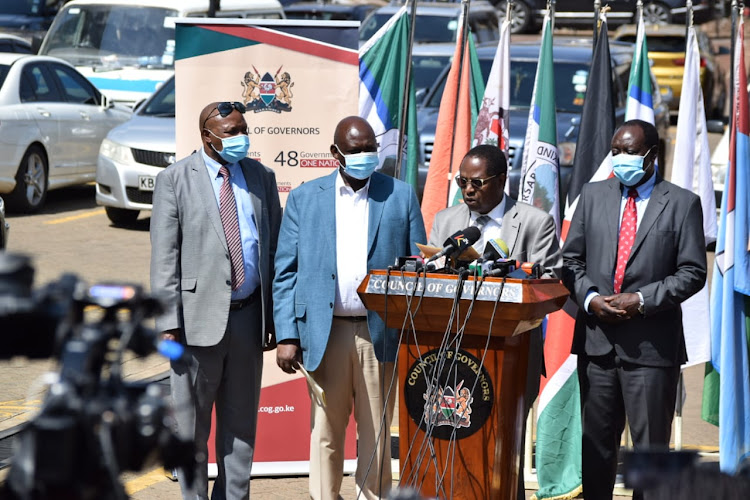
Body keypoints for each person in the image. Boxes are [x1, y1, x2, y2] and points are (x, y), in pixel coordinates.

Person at [273, 116, 426, 500]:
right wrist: (288, 334)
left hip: (381, 333)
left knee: (376, 430)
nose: (365, 156)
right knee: (326, 430)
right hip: (325, 332)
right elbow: (285, 273)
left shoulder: (400, 194)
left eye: (370, 149)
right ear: (335, 154)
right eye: (356, 150)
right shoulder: (305, 198)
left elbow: (419, 267)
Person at [562, 119, 707, 500]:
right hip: (597, 347)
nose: (619, 159)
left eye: (628, 152)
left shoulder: (681, 203)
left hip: (650, 349)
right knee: (596, 451)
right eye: (615, 151)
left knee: (649, 456)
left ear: (652, 155)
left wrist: (641, 301)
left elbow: (693, 272)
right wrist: (591, 298)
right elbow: (570, 262)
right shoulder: (592, 196)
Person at [150, 101, 282, 500]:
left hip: (248, 318)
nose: (241, 138)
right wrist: (168, 325)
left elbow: (273, 249)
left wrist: (274, 316)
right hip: (194, 322)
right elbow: (164, 257)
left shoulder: (261, 176)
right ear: (207, 136)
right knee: (191, 428)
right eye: (231, 132)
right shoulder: (174, 179)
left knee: (241, 425)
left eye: (244, 129)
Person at [427, 143, 562, 499]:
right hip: (452, 350)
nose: (468, 190)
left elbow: (550, 285)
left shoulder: (535, 222)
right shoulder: (446, 221)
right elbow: (430, 282)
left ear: (502, 180)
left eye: (478, 182)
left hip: (512, 353)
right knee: (453, 435)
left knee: (505, 443)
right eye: (462, 182)